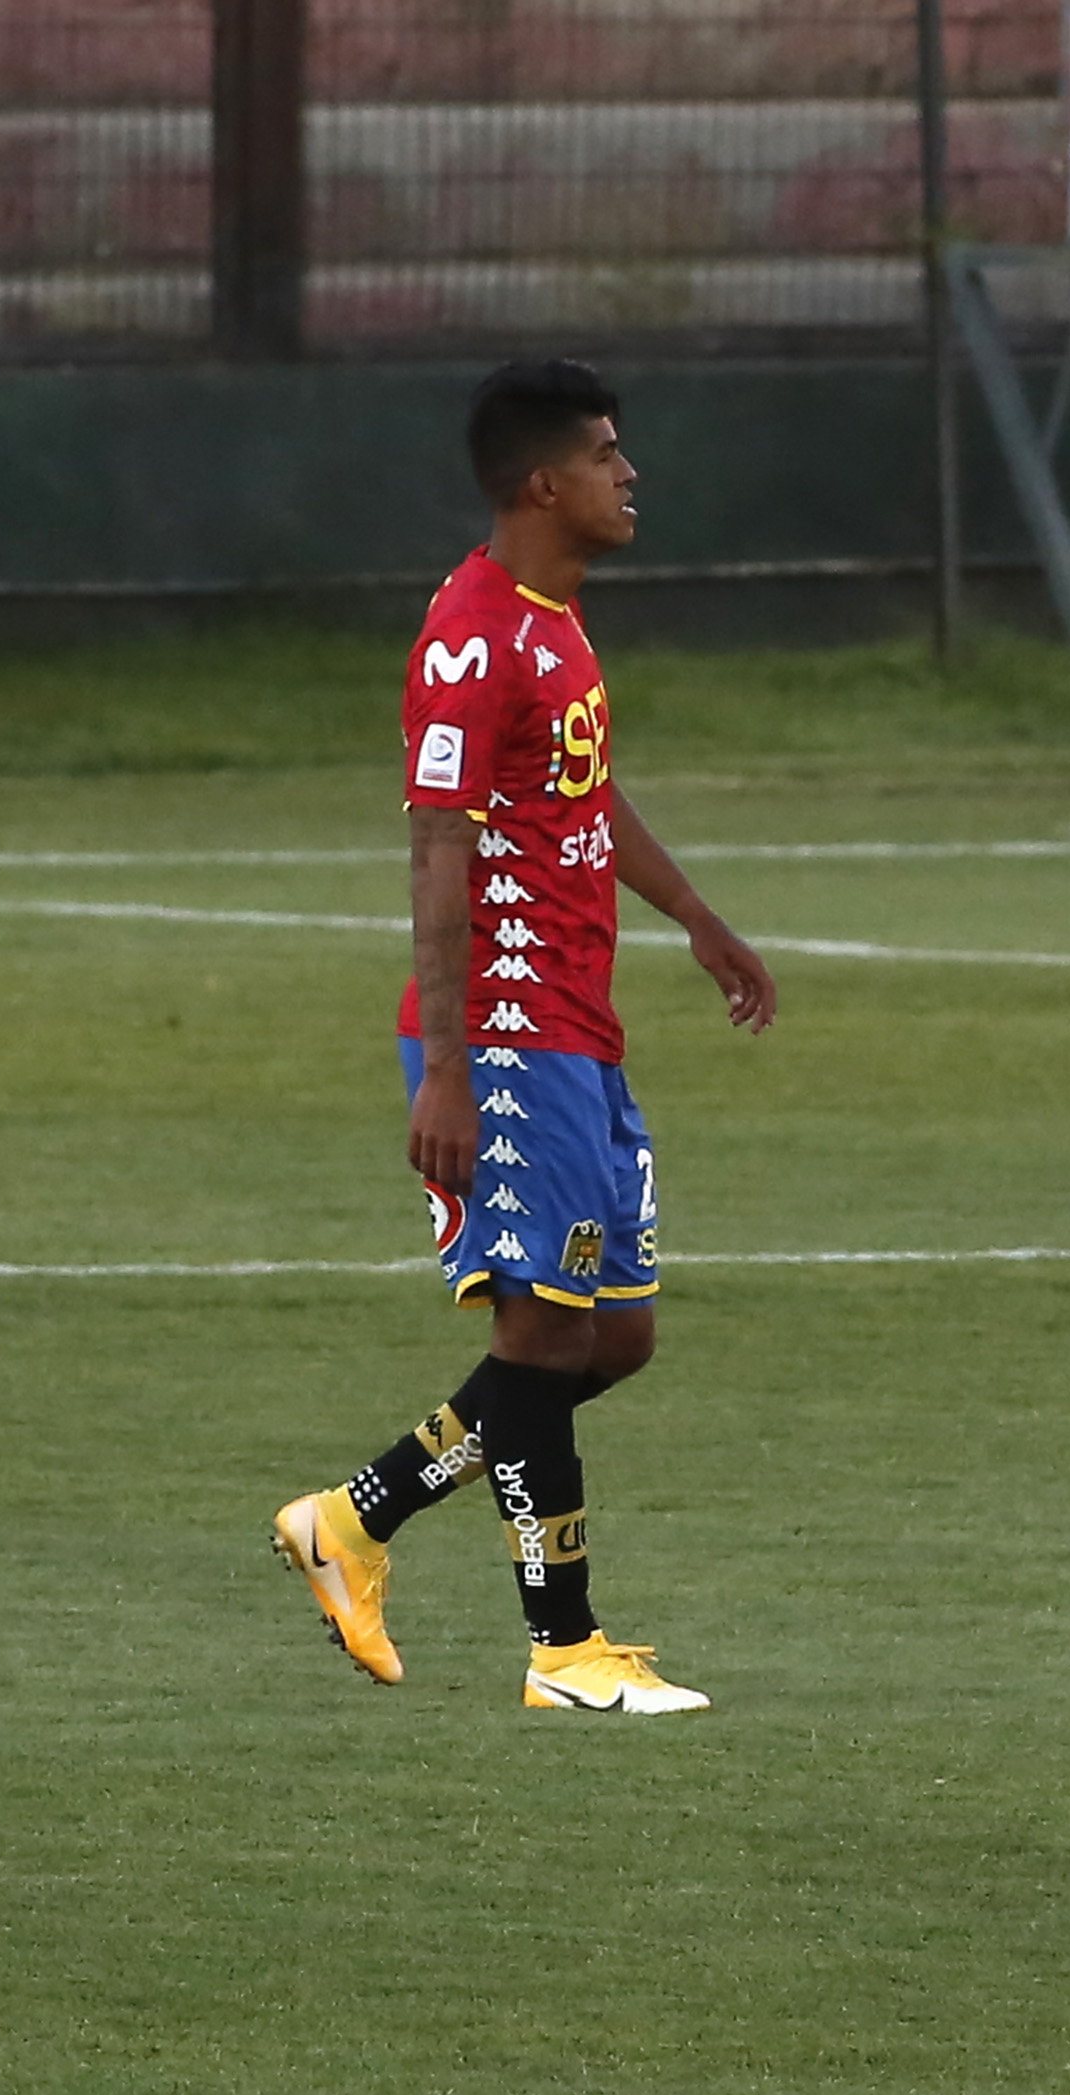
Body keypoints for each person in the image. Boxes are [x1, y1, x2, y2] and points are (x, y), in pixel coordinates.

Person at [272, 358, 777, 1715]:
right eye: (610, 454)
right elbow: (440, 846)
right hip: (503, 1036)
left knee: (612, 1341)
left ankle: (353, 1516)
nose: (632, 474)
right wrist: (445, 1061)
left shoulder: (558, 624)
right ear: (544, 482)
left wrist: (699, 920)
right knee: (544, 1336)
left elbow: (585, 804)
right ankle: (565, 1649)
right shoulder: (475, 635)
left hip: (581, 1034)